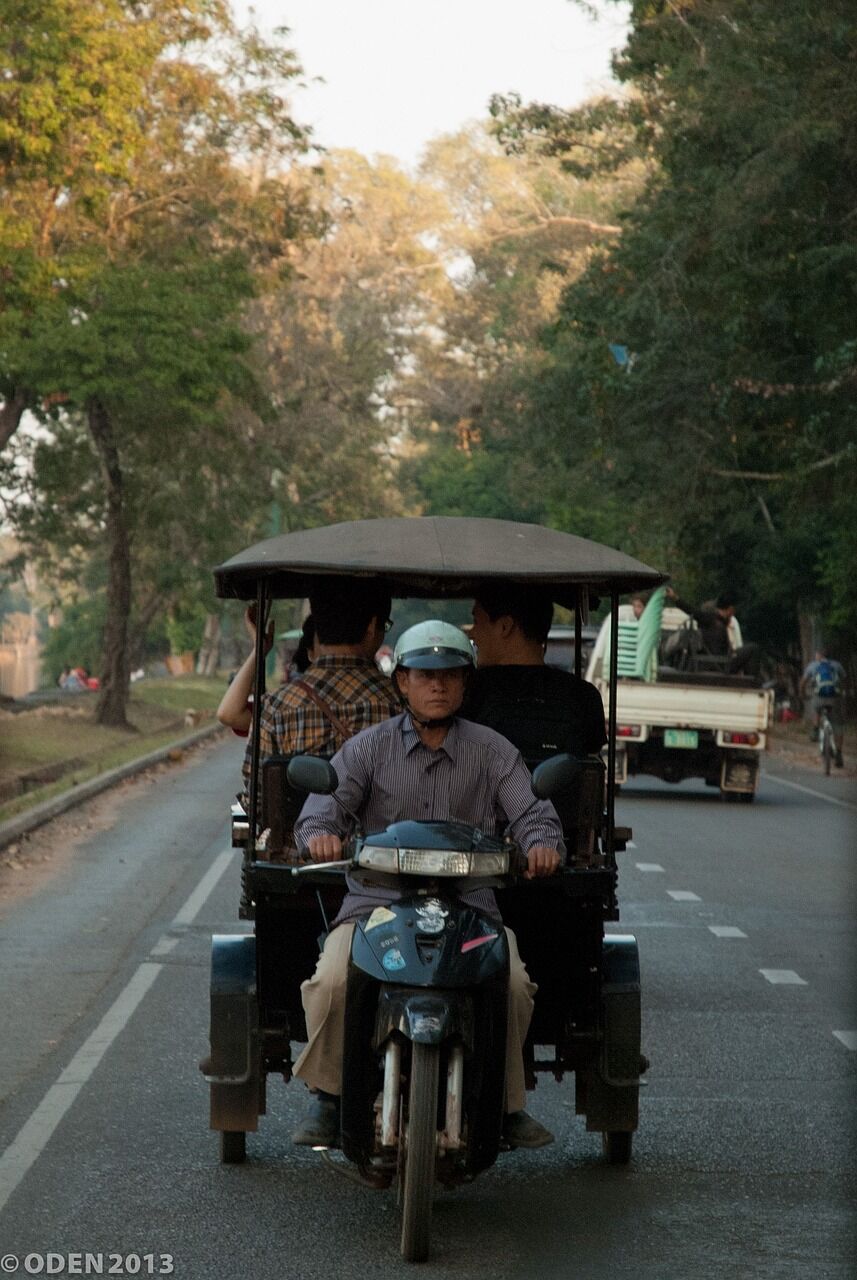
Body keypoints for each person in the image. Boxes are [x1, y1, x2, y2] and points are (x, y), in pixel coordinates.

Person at [291, 620, 564, 1151]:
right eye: (424, 674)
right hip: (378, 908)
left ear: (465, 682)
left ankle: (504, 1106)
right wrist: (321, 834)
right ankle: (327, 1096)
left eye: (449, 674)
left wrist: (540, 843)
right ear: (402, 682)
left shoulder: (493, 751)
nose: (436, 685)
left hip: (470, 909)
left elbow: (531, 812)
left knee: (512, 985)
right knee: (331, 981)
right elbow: (323, 811)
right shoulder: (367, 750)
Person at [241, 578, 400, 797]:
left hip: (298, 832)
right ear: (372, 628)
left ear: (317, 624)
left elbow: (257, 798)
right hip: (385, 832)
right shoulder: (399, 701)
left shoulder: (276, 706)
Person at [465, 584, 607, 762]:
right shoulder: (584, 696)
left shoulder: (469, 691)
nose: (471, 634)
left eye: (477, 622)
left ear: (504, 626)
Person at [665, 588, 759, 675]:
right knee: (753, 649)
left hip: (720, 662)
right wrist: (675, 598)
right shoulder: (710, 619)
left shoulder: (717, 622)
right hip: (719, 665)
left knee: (746, 650)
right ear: (730, 610)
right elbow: (692, 610)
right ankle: (752, 681)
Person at [801, 649, 846, 767]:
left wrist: (802, 694)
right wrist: (841, 692)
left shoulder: (813, 666)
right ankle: (839, 754)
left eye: (816, 655)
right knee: (838, 725)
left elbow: (803, 682)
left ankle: (815, 729)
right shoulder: (837, 665)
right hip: (835, 698)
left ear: (819, 656)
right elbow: (843, 679)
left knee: (815, 708)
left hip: (819, 697)